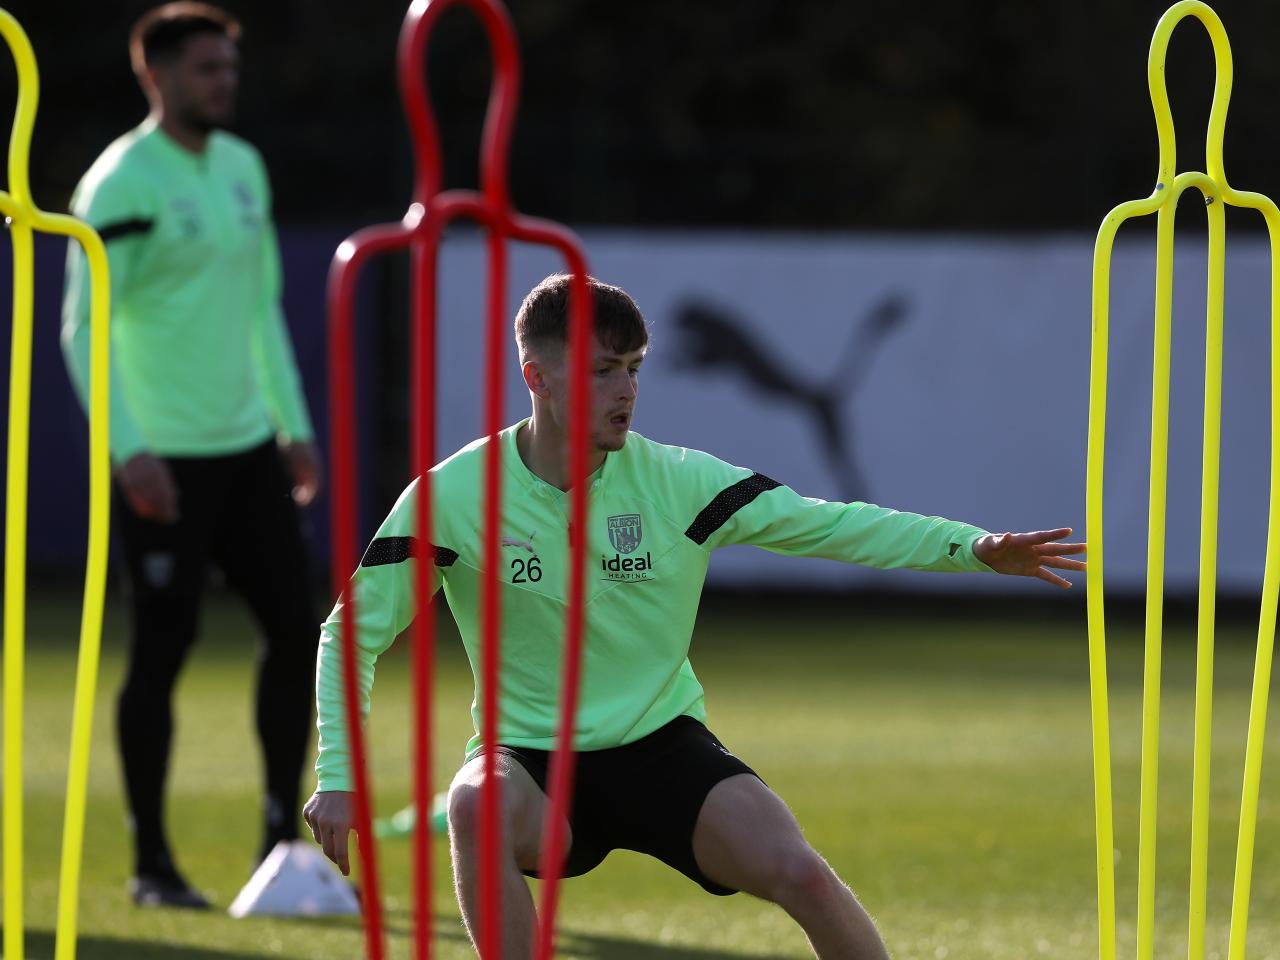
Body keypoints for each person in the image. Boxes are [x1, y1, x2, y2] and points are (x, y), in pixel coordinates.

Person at [303, 275, 1084, 957]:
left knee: (802, 874)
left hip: (662, 749)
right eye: (604, 371)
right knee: (472, 802)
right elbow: (352, 630)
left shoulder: (680, 482)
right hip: (533, 763)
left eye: (635, 370)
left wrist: (973, 547)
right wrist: (338, 774)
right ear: (537, 376)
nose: (627, 391)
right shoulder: (455, 496)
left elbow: (836, 522)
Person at [61, 3, 322, 909]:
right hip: (163, 462)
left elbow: (260, 313)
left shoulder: (244, 168)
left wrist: (293, 425)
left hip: (248, 450)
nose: (224, 82)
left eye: (228, 68)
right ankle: (153, 868)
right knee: (162, 654)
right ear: (156, 76)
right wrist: (128, 449)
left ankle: (277, 849)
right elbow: (82, 324)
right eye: (206, 68)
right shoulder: (120, 184)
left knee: (298, 635)